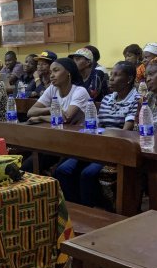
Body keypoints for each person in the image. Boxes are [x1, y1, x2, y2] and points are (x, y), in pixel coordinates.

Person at [54, 61, 140, 205]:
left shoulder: (136, 100)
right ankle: (75, 207)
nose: (111, 78)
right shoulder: (107, 98)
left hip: (117, 146)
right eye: (111, 74)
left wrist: (104, 137)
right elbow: (97, 123)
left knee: (88, 174)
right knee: (62, 170)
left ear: (129, 79)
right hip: (97, 143)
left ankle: (89, 210)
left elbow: (127, 131)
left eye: (117, 75)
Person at [26, 58, 91, 124]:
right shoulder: (52, 89)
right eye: (51, 72)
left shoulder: (80, 91)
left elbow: (65, 119)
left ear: (68, 72)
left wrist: (40, 118)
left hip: (86, 132)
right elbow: (30, 112)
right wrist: (51, 109)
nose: (51, 75)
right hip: (63, 131)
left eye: (56, 71)